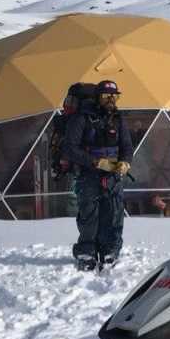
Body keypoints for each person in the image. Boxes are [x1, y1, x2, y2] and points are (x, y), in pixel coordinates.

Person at [64, 80, 133, 270]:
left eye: (115, 96)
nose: (111, 99)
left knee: (114, 213)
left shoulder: (118, 119)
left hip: (113, 176)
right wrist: (96, 162)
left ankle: (110, 251)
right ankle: (86, 253)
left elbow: (127, 146)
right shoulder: (82, 118)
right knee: (90, 215)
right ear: (97, 97)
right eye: (106, 96)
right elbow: (70, 148)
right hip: (89, 175)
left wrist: (125, 162)